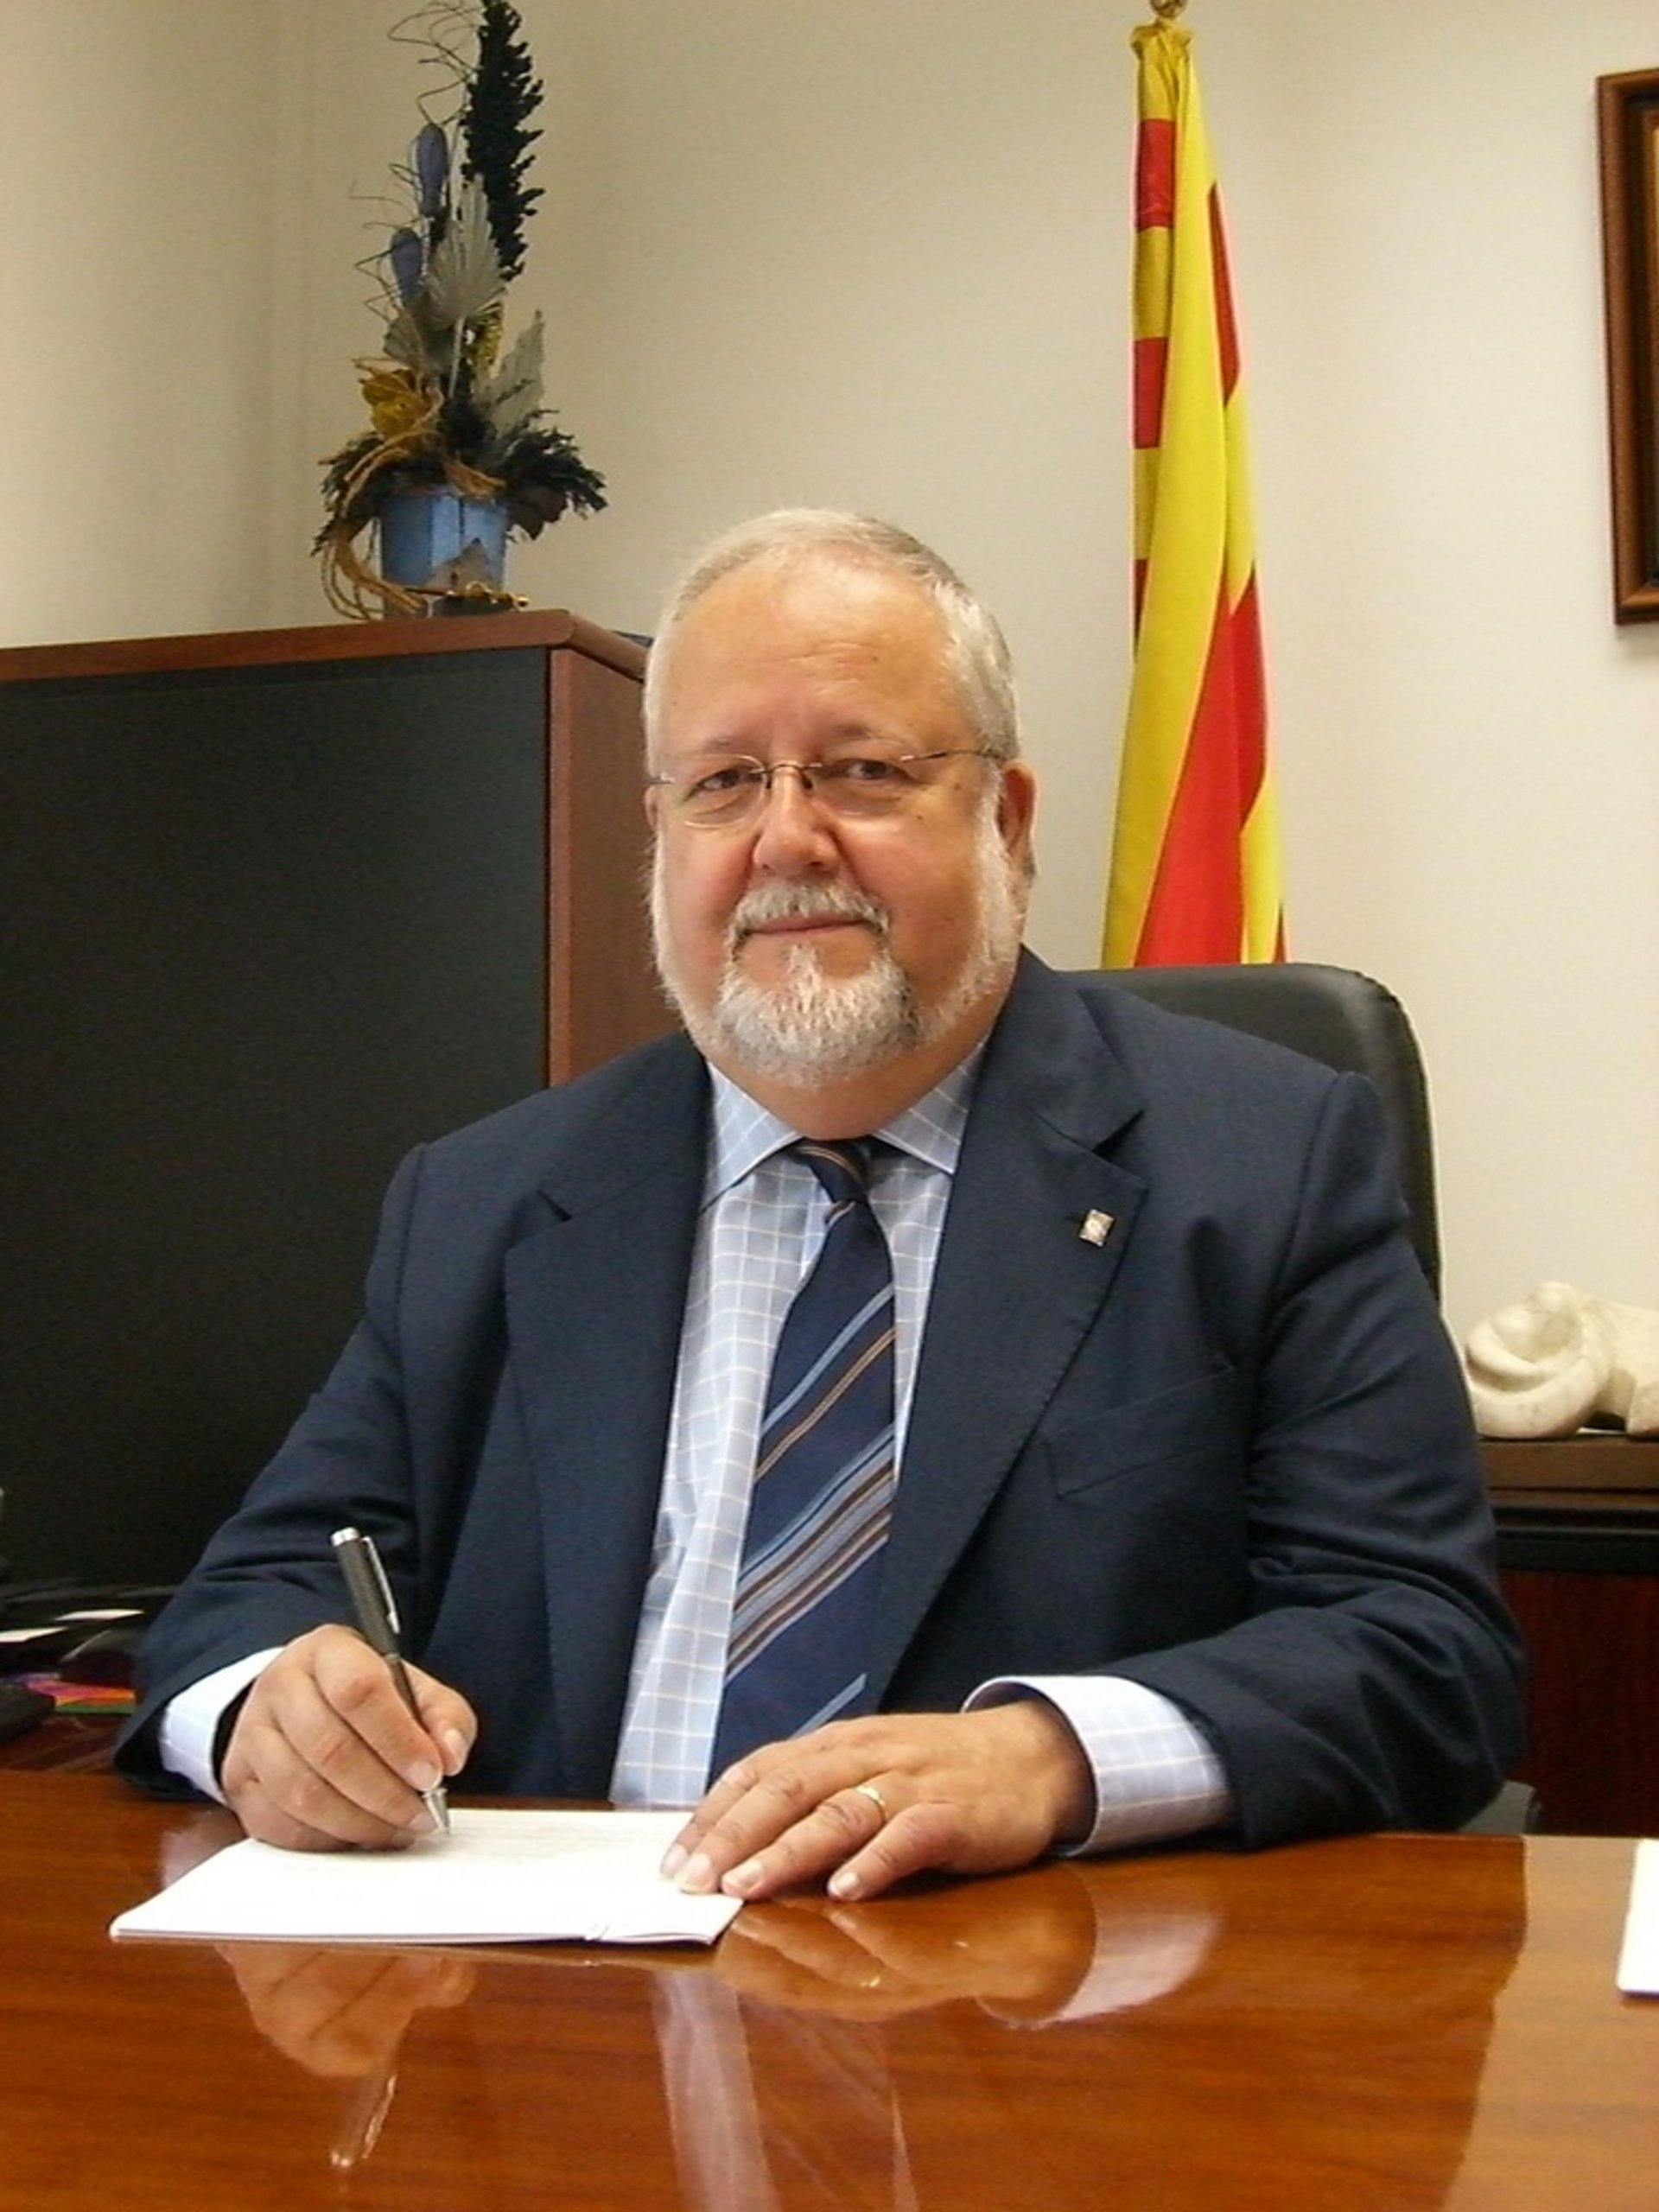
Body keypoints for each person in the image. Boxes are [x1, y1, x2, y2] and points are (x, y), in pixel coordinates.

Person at [117, 510, 1523, 1902]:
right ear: (660, 836)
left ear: (1007, 821)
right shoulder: (486, 1200)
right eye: (725, 783)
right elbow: (253, 1596)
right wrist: (271, 1714)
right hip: (555, 1993)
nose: (787, 840)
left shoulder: (1265, 1162)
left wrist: (1050, 1758)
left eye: (862, 770)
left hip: (1033, 1991)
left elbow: (1422, 1649)